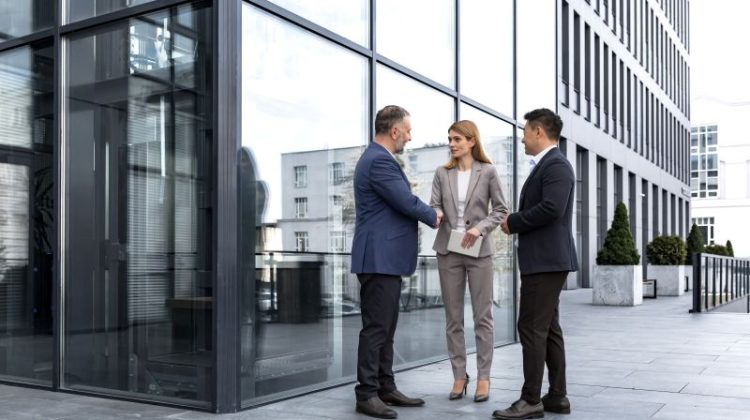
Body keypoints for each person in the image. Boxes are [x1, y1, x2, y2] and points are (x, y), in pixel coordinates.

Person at [351, 105, 441, 419]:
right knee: (376, 328)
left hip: (384, 258)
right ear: (394, 131)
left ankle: (385, 386)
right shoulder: (378, 161)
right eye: (408, 129)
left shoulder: (378, 159)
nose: (410, 135)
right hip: (378, 258)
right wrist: (433, 215)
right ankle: (366, 393)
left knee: (385, 327)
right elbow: (404, 201)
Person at [492, 108, 579, 419]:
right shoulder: (550, 165)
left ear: (539, 132)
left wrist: (514, 221)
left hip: (545, 262)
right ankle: (557, 397)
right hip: (545, 260)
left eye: (525, 132)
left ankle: (530, 400)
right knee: (548, 329)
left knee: (530, 327)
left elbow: (552, 209)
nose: (523, 138)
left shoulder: (556, 165)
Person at [429, 120, 508, 403]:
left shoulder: (487, 172)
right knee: (453, 318)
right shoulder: (441, 172)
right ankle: (459, 375)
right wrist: (436, 213)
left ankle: (483, 377)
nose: (452, 144)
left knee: (482, 317)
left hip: (479, 250)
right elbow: (434, 203)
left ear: (472, 141)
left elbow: (501, 209)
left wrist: (479, 228)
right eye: (450, 139)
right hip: (449, 250)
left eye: (457, 139)